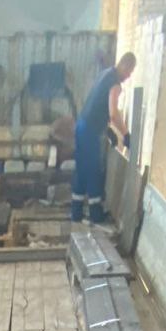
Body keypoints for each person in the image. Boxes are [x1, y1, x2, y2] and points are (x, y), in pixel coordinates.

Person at [71, 52, 136, 225]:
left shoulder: (105, 74)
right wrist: (126, 134)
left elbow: (97, 105)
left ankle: (76, 213)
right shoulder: (115, 84)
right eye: (129, 72)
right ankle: (95, 214)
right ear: (124, 65)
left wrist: (107, 129)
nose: (128, 77)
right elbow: (113, 113)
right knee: (93, 170)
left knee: (82, 169)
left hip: (82, 125)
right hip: (90, 131)